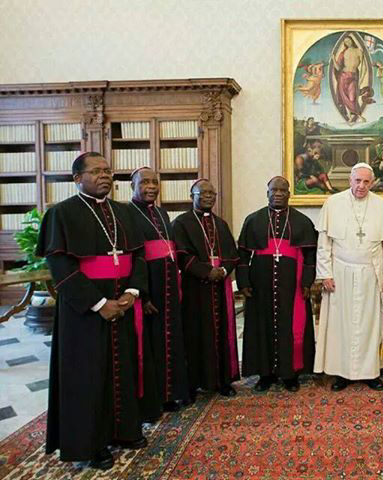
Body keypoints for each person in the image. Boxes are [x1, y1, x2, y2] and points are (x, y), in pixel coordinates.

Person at [37, 152, 147, 470]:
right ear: (77, 178)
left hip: (122, 305)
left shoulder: (125, 212)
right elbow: (61, 267)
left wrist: (131, 292)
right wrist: (98, 304)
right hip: (84, 312)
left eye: (108, 171)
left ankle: (125, 430)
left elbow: (137, 257)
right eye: (96, 171)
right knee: (88, 376)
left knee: (122, 369)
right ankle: (92, 443)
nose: (105, 176)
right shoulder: (61, 214)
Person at [314, 162, 383, 391]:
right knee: (341, 324)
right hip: (340, 273)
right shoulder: (333, 203)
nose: (361, 186)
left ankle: (371, 372)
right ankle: (342, 373)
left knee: (371, 324)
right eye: (357, 181)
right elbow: (324, 244)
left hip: (372, 274)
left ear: (372, 183)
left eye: (366, 181)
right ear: (350, 180)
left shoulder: (382, 206)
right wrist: (325, 274)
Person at [237, 176, 317, 392]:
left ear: (289, 194)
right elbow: (243, 256)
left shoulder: (302, 221)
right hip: (260, 282)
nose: (278, 193)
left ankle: (290, 373)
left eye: (283, 190)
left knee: (289, 326)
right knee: (261, 325)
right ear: (267, 193)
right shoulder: (253, 220)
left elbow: (310, 256)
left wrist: (307, 282)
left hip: (291, 283)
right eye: (274, 190)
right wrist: (243, 282)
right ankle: (265, 374)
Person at [127, 167, 189, 414]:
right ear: (133, 184)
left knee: (170, 339)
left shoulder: (162, 213)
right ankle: (150, 400)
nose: (151, 186)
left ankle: (169, 393)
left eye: (155, 182)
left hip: (169, 287)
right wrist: (143, 294)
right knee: (150, 344)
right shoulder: (127, 214)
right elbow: (133, 257)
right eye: (145, 182)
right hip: (148, 288)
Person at [172, 179, 240, 399]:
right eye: (203, 193)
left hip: (220, 286)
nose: (209, 197)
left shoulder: (221, 224)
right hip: (195, 289)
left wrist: (222, 270)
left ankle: (222, 381)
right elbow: (182, 255)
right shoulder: (181, 223)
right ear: (192, 195)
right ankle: (192, 385)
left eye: (212, 193)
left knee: (222, 333)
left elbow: (232, 253)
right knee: (194, 335)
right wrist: (206, 271)